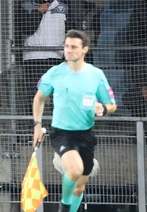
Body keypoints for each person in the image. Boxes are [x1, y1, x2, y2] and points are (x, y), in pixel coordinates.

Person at [32, 30, 116, 212]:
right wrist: (37, 125)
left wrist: (103, 108)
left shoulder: (96, 74)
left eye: (73, 47)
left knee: (80, 187)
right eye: (66, 46)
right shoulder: (55, 73)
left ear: (85, 49)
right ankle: (64, 205)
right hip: (61, 133)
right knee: (75, 170)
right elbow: (39, 98)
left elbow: (112, 105)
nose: (68, 50)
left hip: (85, 134)